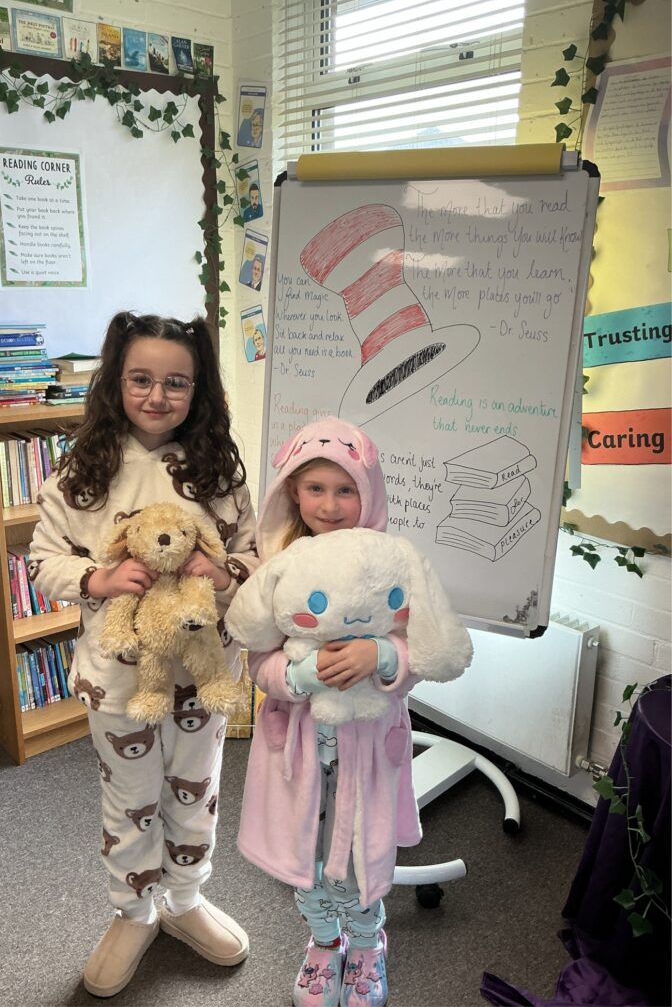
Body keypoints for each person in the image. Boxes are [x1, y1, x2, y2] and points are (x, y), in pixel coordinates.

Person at [29, 312, 258, 998]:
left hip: (204, 673)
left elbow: (254, 556)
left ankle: (184, 900)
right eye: (141, 379)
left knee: (196, 789)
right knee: (129, 800)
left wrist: (223, 574)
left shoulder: (219, 470)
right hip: (118, 676)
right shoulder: (82, 473)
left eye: (176, 383)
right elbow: (43, 562)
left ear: (198, 389)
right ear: (116, 382)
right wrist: (97, 579)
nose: (157, 396)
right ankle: (134, 911)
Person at [232, 417, 427, 1007]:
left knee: (363, 858)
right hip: (297, 749)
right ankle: (323, 942)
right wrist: (299, 676)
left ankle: (367, 943)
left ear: (368, 493)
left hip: (367, 748)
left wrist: (383, 655)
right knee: (307, 861)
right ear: (293, 491)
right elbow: (258, 658)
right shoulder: (279, 564)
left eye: (346, 490)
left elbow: (423, 649)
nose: (331, 504)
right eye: (315, 488)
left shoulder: (391, 564)